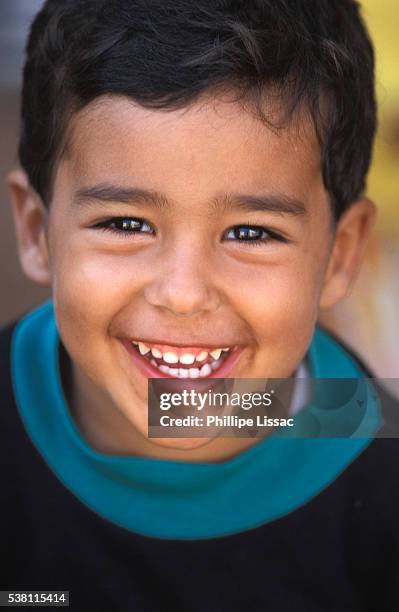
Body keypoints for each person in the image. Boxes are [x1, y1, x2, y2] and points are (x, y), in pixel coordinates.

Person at [1, 0, 398, 609]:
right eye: (127, 223)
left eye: (250, 233)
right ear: (35, 230)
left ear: (338, 257)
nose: (183, 295)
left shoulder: (382, 493)